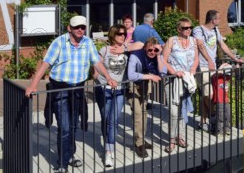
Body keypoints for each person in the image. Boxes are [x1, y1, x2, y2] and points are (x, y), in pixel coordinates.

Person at [25, 16, 118, 173]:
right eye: (77, 27)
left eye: (83, 27)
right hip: (60, 89)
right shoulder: (59, 42)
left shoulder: (87, 42)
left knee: (73, 126)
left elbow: (96, 62)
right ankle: (62, 163)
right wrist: (33, 84)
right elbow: (46, 63)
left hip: (77, 91)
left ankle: (69, 155)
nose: (80, 30)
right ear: (69, 28)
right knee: (65, 127)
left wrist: (108, 77)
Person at [192, 10, 242, 132]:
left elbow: (222, 45)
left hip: (213, 67)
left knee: (208, 94)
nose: (220, 20)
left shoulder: (215, 30)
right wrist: (209, 60)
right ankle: (214, 115)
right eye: (219, 18)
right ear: (213, 20)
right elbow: (200, 45)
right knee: (209, 95)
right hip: (202, 67)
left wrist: (235, 58)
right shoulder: (198, 30)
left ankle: (203, 122)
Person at [93, 24, 129, 168]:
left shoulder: (126, 50)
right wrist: (96, 77)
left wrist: (124, 48)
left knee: (113, 120)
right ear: (113, 35)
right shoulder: (105, 50)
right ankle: (109, 144)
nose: (123, 36)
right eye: (120, 34)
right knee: (106, 119)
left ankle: (108, 150)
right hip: (104, 89)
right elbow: (96, 67)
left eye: (124, 34)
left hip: (120, 90)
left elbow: (141, 44)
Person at [161, 18, 199, 153]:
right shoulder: (172, 40)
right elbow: (163, 60)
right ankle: (172, 139)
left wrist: (193, 69)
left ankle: (180, 136)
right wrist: (173, 72)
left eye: (190, 27)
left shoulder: (193, 41)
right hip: (172, 80)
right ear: (179, 29)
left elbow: (196, 59)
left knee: (183, 109)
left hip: (187, 79)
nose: (188, 29)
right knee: (173, 111)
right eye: (185, 28)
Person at [127, 37, 163, 159]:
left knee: (143, 113)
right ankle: (139, 144)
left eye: (155, 50)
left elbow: (162, 72)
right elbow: (131, 75)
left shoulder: (156, 55)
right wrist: (149, 76)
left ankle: (141, 139)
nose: (152, 52)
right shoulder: (135, 56)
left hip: (145, 85)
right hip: (133, 85)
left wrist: (159, 55)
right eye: (149, 50)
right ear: (144, 49)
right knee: (137, 114)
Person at [212, 64, 233, 136]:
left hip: (226, 100)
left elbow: (234, 72)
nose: (227, 76)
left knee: (228, 114)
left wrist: (234, 66)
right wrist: (222, 66)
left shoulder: (226, 78)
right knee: (220, 116)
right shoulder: (217, 78)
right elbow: (216, 73)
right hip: (219, 100)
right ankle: (219, 130)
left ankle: (227, 129)